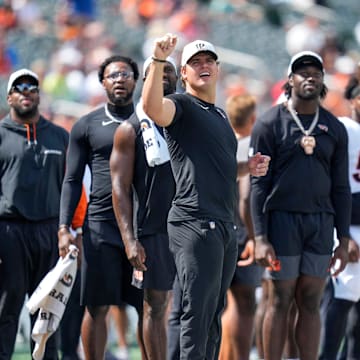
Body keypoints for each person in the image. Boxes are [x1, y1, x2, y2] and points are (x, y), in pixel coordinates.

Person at [141, 33, 270, 359]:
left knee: (213, 313)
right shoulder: (183, 105)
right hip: (195, 221)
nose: (203, 66)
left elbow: (222, 169)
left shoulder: (219, 115)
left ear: (217, 67)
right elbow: (152, 107)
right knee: (197, 313)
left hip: (222, 225)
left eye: (208, 60)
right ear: (183, 74)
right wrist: (158, 60)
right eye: (194, 62)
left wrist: (247, 167)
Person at [250, 50, 352, 360]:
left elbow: (341, 186)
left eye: (315, 72)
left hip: (320, 224)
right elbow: (258, 184)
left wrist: (344, 238)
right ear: (290, 79)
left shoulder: (334, 127)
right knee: (280, 299)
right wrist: (260, 237)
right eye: (302, 72)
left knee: (311, 300)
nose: (309, 76)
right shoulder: (269, 123)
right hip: (282, 221)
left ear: (323, 80)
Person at [57, 55, 145, 360]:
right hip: (101, 228)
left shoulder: (152, 120)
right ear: (102, 82)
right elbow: (71, 180)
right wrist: (64, 228)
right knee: (96, 306)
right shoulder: (86, 125)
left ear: (136, 79)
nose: (119, 79)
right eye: (112, 75)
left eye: (125, 73)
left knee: (150, 306)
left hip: (145, 226)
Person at [110, 56, 177, 359]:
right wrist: (129, 240)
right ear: (144, 79)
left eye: (168, 71)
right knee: (156, 305)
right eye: (155, 71)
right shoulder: (130, 128)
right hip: (154, 230)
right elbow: (119, 188)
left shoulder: (192, 121)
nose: (162, 76)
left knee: (198, 304)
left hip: (193, 226)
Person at [0, 68, 68, 359]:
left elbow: (73, 186)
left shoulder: (60, 137)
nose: (25, 92)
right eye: (19, 87)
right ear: (9, 96)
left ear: (39, 94)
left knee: (48, 309)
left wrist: (70, 230)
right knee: (8, 303)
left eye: (31, 87)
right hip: (9, 231)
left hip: (50, 231)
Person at [218, 94, 264, 360]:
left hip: (222, 229)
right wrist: (255, 235)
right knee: (244, 305)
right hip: (244, 232)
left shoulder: (223, 144)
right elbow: (247, 196)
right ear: (253, 118)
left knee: (226, 304)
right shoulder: (252, 147)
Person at [319, 69, 360, 360]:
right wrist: (340, 233)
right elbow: (328, 183)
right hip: (349, 225)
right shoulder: (343, 128)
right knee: (339, 301)